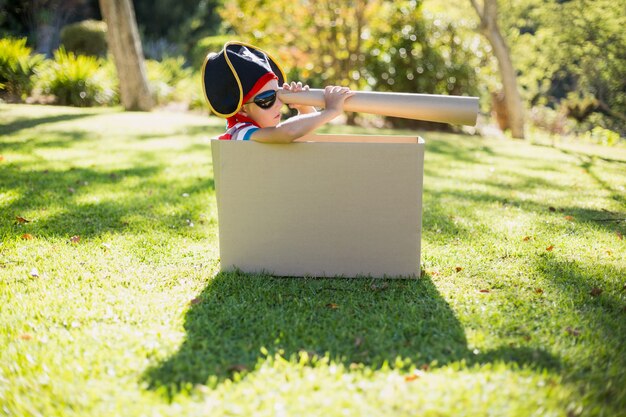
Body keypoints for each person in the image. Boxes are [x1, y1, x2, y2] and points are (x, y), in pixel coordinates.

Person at [202, 41, 354, 143]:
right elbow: (289, 132)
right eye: (268, 99)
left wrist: (303, 105)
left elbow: (303, 133)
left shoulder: (262, 131)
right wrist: (331, 111)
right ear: (243, 109)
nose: (279, 104)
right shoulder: (241, 132)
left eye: (279, 94)